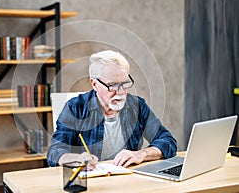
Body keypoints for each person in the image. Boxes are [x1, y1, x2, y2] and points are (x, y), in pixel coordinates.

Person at [47, 50, 177, 170]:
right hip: (91, 182)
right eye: (113, 85)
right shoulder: (75, 108)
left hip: (129, 179)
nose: (121, 92)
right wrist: (76, 159)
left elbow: (167, 140)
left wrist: (141, 154)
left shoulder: (137, 106)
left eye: (125, 83)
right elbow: (55, 152)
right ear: (94, 84)